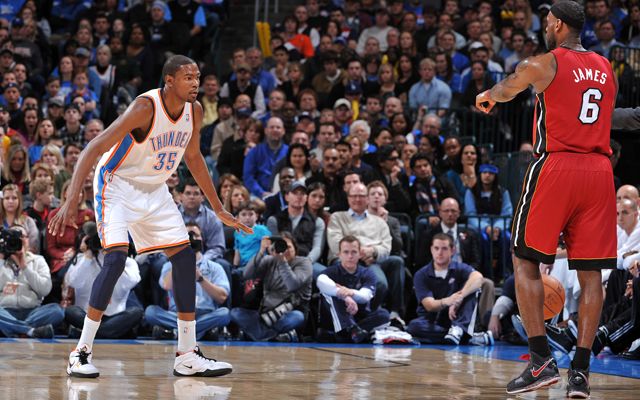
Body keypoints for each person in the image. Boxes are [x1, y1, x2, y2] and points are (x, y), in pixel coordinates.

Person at [47, 56, 252, 379]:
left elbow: (194, 156)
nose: (196, 83)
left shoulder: (194, 111)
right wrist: (72, 198)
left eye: (198, 77)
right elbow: (93, 148)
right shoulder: (146, 107)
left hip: (154, 189)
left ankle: (186, 355)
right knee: (114, 260)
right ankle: (80, 352)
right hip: (116, 184)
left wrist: (218, 207)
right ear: (169, 81)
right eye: (188, 78)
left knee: (184, 260)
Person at [475, 2, 617, 396]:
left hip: (558, 166)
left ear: (556, 24)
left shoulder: (543, 63)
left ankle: (540, 361)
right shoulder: (606, 68)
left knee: (525, 259)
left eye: (546, 21)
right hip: (600, 171)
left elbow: (506, 91)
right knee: (592, 275)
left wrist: (487, 93)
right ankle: (581, 373)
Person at [327, 183, 405, 318]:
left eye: (361, 196)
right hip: (344, 260)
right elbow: (335, 244)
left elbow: (387, 247)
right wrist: (359, 253)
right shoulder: (337, 217)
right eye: (354, 196)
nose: (357, 199)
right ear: (348, 198)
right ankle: (346, 315)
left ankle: (367, 316)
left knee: (380, 283)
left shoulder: (379, 222)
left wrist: (373, 251)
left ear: (368, 199)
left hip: (370, 261)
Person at [146, 221, 231, 341]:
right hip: (177, 315)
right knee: (150, 312)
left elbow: (222, 297)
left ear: (201, 239)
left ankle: (176, 333)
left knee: (225, 314)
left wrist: (201, 279)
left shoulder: (215, 267)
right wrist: (179, 261)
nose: (191, 239)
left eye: (195, 235)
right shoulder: (170, 265)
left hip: (205, 313)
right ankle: (202, 332)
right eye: (186, 235)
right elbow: (167, 285)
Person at [229, 232, 312, 342]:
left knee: (297, 317)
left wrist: (281, 261)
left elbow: (292, 285)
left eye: (288, 247)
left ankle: (255, 334)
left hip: (288, 314)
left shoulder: (304, 263)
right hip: (264, 316)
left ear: (295, 248)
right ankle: (273, 337)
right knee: (235, 313)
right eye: (280, 246)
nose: (284, 250)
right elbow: (247, 274)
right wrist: (261, 251)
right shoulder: (269, 260)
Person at [65, 222, 143, 339]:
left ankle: (87, 334)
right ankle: (113, 333)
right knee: (71, 311)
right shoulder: (81, 259)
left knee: (136, 312)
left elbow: (132, 282)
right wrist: (88, 254)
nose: (102, 245)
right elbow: (73, 282)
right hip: (87, 314)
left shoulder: (128, 262)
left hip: (116, 316)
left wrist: (115, 259)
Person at [407, 233, 485, 345]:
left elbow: (478, 277)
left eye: (444, 248)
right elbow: (429, 305)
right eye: (436, 248)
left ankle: (458, 331)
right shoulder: (421, 274)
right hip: (432, 321)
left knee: (471, 287)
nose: (440, 252)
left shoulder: (460, 268)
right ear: (431, 250)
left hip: (455, 317)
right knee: (414, 326)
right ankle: (465, 337)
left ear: (452, 251)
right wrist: (448, 301)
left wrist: (459, 298)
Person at [317, 235, 390, 343]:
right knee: (328, 293)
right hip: (334, 319)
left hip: (359, 316)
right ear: (339, 255)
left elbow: (366, 296)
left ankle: (345, 335)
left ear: (360, 254)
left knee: (384, 314)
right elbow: (320, 281)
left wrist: (350, 292)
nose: (350, 256)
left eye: (354, 252)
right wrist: (344, 296)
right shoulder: (330, 272)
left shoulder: (368, 273)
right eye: (346, 252)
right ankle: (351, 330)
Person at [0, 224, 64, 339]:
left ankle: (11, 329)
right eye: (12, 237)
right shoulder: (1, 260)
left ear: (28, 241)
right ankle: (30, 331)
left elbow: (45, 290)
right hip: (5, 311)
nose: (17, 240)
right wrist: (1, 258)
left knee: (57, 310)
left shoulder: (38, 260)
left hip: (32, 312)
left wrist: (24, 266)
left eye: (21, 237)